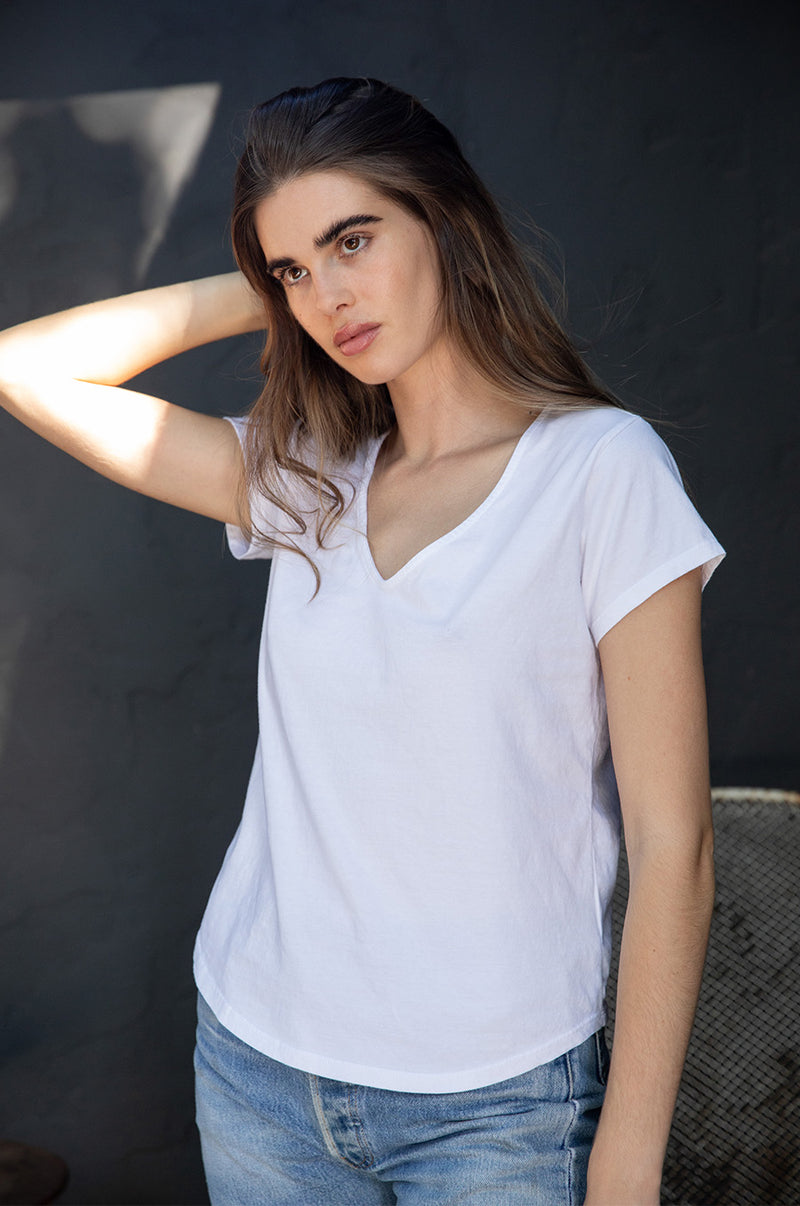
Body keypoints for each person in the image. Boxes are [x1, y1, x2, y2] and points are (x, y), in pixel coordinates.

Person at [0, 78, 724, 1205]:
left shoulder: (601, 471)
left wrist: (625, 1164)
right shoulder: (303, 481)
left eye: (352, 240)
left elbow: (672, 844)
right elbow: (24, 368)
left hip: (499, 1107)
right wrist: (255, 287)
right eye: (293, 269)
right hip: (257, 1076)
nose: (327, 296)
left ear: (440, 216)